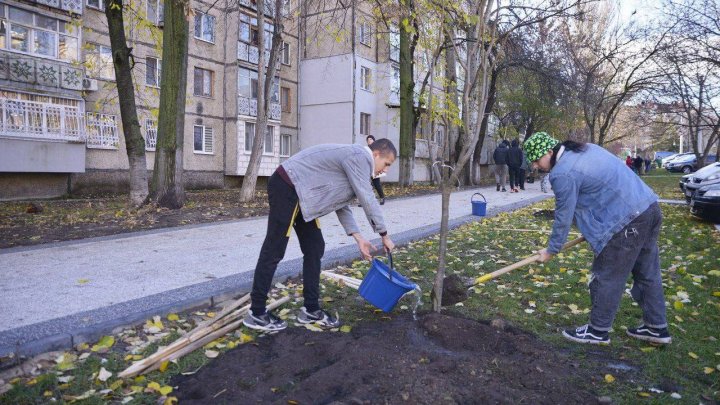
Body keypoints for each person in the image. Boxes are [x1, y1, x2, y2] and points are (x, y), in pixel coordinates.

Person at [524, 132, 671, 345]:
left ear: (549, 151)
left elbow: (563, 216)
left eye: (537, 160)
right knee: (647, 273)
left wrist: (551, 250)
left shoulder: (562, 173)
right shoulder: (586, 149)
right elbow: (600, 189)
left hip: (626, 223)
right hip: (649, 209)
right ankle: (657, 328)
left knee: (607, 276)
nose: (536, 166)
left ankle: (598, 330)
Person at [243, 140, 397, 332]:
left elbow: (341, 203)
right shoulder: (360, 157)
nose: (386, 170)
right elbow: (368, 198)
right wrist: (384, 234)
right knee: (274, 249)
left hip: (303, 194)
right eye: (387, 163)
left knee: (315, 247)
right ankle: (256, 313)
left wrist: (359, 238)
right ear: (376, 155)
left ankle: (311, 310)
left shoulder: (355, 162)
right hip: (288, 186)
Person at [366, 135, 386, 205]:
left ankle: (382, 197)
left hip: (376, 168)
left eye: (371, 139)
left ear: (374, 140)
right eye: (368, 140)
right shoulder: (366, 149)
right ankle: (367, 201)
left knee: (376, 184)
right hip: (368, 168)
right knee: (367, 185)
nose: (369, 141)